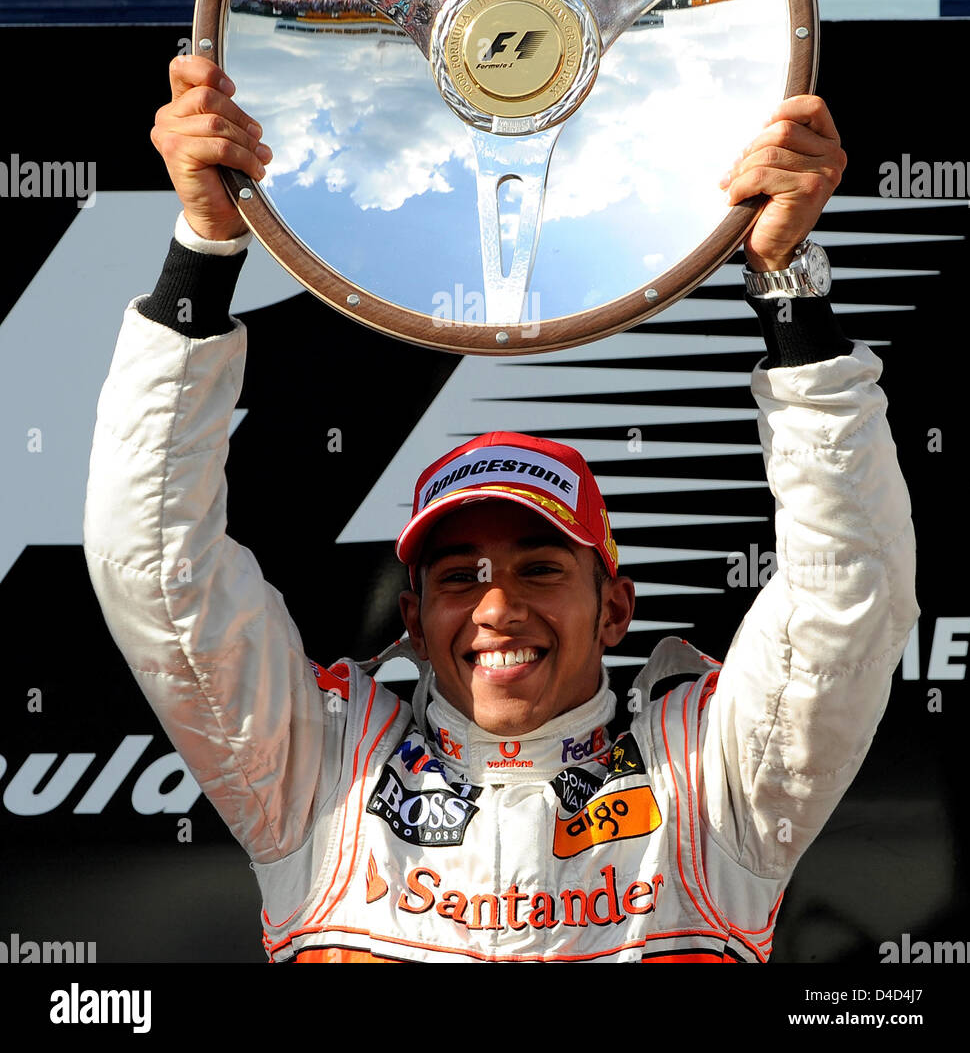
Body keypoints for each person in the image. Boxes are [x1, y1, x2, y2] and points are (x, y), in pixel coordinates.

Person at [83, 56, 915, 963]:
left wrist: (788, 283)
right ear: (413, 617)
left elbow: (846, 594)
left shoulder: (711, 784)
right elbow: (156, 566)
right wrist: (203, 250)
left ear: (614, 609)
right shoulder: (318, 774)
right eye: (458, 576)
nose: (495, 606)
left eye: (540, 567)